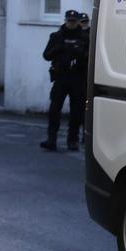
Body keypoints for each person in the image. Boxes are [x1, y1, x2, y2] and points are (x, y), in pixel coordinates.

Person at [41, 9, 90, 152]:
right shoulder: (57, 36)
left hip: (77, 78)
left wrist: (79, 53)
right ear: (65, 20)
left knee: (76, 111)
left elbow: (90, 57)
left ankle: (72, 140)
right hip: (61, 77)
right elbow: (46, 55)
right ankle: (51, 139)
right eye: (69, 21)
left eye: (74, 21)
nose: (72, 24)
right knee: (54, 109)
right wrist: (59, 48)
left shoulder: (84, 38)